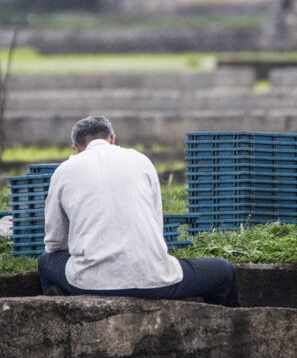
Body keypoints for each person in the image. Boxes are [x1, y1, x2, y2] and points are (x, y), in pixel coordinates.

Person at [37, 115, 238, 306]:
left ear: (76, 149)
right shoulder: (141, 161)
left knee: (46, 261)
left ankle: (63, 309)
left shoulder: (63, 171)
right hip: (154, 280)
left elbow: (54, 243)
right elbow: (156, 228)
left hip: (88, 283)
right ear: (113, 139)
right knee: (224, 270)